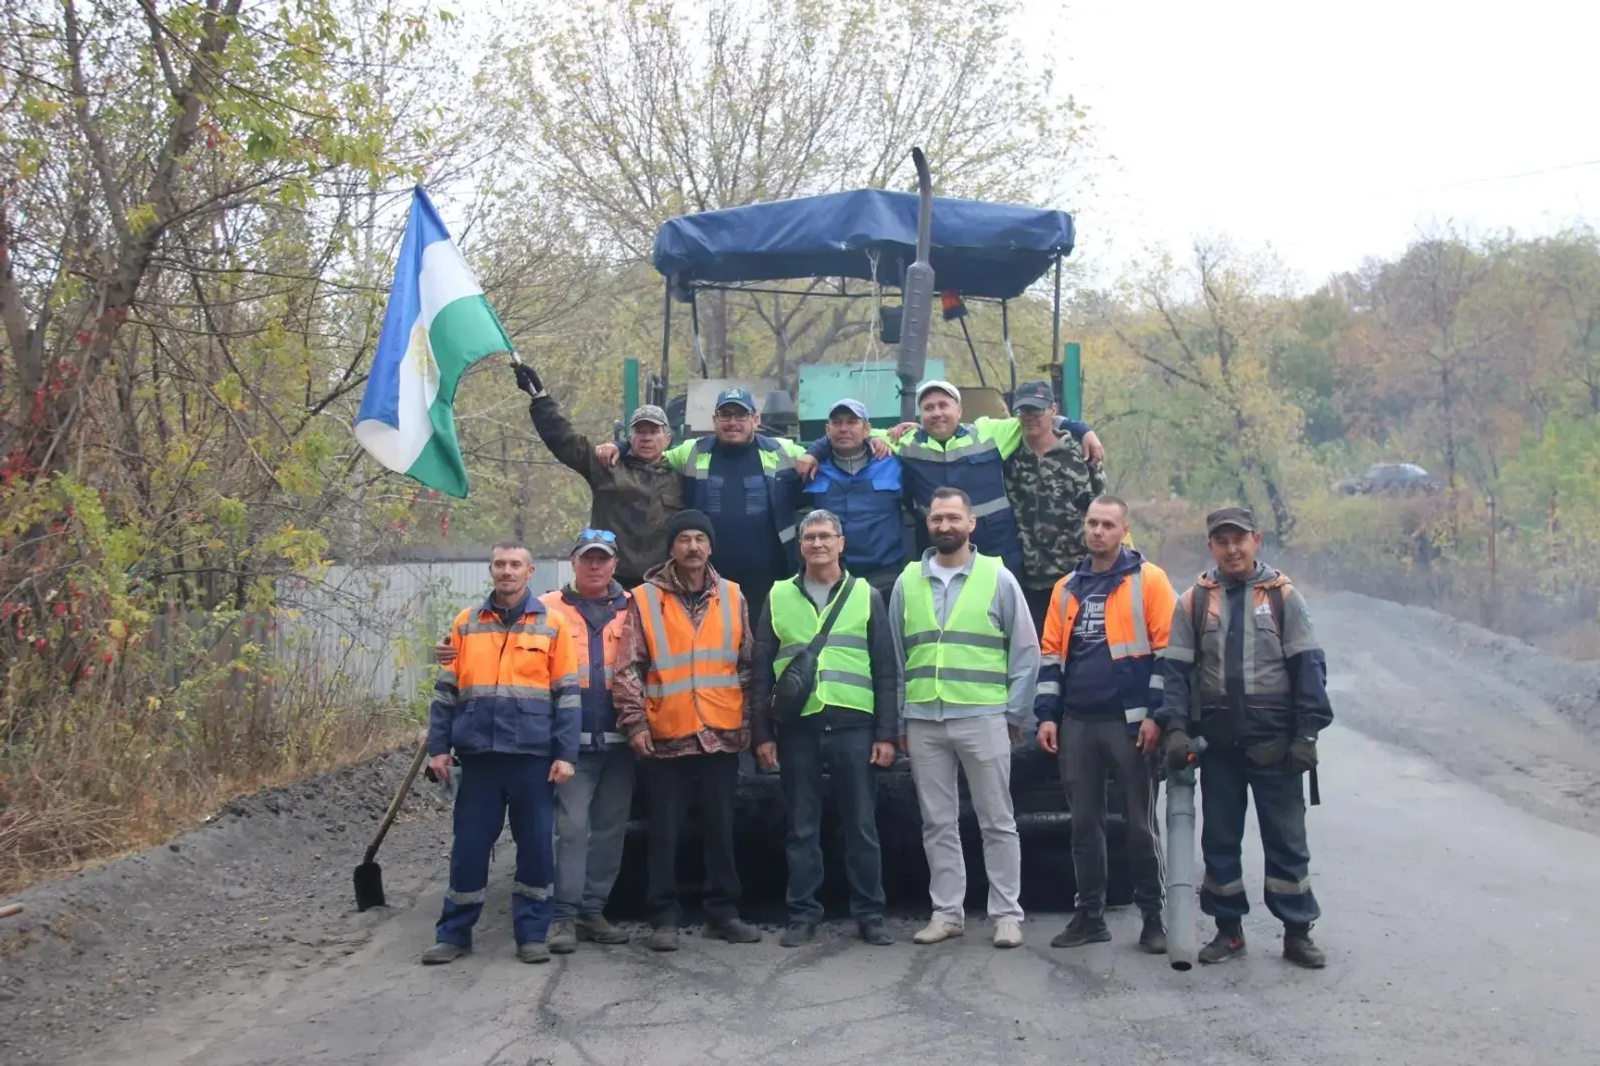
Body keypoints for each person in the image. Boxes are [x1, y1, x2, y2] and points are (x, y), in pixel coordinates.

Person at [1155, 506, 1334, 969]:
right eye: (1222, 541)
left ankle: (1297, 933)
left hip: (1277, 748)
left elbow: (1309, 667)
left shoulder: (1283, 596)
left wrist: (1307, 735)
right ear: (1211, 546)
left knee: (1287, 842)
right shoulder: (1194, 599)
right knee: (1219, 841)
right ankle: (1228, 931)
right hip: (1218, 750)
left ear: (1257, 540)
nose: (1232, 549)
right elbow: (1174, 671)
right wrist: (1176, 729)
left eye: (1240, 539)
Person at [889, 486, 1041, 949]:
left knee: (997, 820)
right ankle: (947, 913)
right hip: (925, 721)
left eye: (954, 517)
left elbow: (1026, 651)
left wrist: (1015, 713)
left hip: (983, 716)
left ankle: (1007, 915)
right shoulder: (906, 582)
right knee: (937, 822)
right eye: (937, 518)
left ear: (971, 523)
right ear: (928, 524)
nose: (945, 525)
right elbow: (897, 658)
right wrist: (901, 721)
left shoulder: (998, 577)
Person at [420, 542, 581, 966]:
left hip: (532, 759)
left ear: (530, 572)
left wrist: (566, 754)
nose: (506, 572)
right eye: (499, 564)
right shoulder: (465, 623)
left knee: (535, 850)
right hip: (480, 759)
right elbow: (445, 692)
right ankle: (454, 935)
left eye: (515, 565)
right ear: (491, 570)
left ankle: (531, 935)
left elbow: (567, 695)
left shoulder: (553, 626)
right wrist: (438, 748)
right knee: (469, 849)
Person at [612, 510, 763, 951]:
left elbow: (747, 665)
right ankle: (663, 917)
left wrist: (749, 724)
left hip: (721, 731)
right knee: (665, 830)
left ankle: (723, 912)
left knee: (721, 827)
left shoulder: (733, 596)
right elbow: (627, 667)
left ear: (710, 547)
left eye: (700, 538)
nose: (693, 547)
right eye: (684, 539)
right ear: (672, 548)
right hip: (667, 731)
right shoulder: (643, 598)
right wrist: (635, 721)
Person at [751, 508, 901, 948]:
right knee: (801, 826)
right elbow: (760, 670)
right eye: (809, 537)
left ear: (841, 542)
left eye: (825, 536)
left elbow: (885, 669)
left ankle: (870, 915)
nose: (817, 544)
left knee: (862, 826)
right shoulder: (777, 596)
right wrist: (762, 734)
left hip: (855, 725)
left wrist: (886, 734)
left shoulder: (866, 594)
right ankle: (802, 914)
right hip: (798, 727)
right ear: (800, 547)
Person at [1034, 496, 1175, 954]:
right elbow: (1051, 653)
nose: (1098, 531)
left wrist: (1156, 715)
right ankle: (1090, 915)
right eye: (1092, 523)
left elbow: (1168, 652)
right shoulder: (1067, 587)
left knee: (1138, 825)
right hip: (1078, 721)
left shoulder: (1148, 581)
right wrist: (1047, 717)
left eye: (1107, 525)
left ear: (1123, 530)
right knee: (1083, 825)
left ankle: (1153, 917)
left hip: (1128, 723)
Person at [831, 380, 1102, 578]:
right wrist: (817, 451)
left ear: (959, 411)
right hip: (943, 556)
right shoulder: (906, 442)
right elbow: (850, 433)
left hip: (998, 556)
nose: (936, 413)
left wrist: (1083, 430)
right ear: (919, 416)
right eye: (928, 408)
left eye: (943, 405)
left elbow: (1036, 417)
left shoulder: (988, 433)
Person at [600, 387, 819, 623]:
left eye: (740, 415)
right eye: (725, 415)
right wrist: (620, 446)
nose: (732, 422)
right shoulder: (693, 451)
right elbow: (652, 452)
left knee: (764, 652)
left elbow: (831, 454)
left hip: (770, 584)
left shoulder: (782, 451)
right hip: (707, 586)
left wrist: (822, 449)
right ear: (715, 419)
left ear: (756, 419)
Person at [515, 360, 680, 588]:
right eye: (640, 432)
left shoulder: (681, 477)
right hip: (612, 585)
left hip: (663, 587)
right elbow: (566, 441)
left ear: (667, 438)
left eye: (654, 431)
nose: (647, 438)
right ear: (630, 438)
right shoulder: (608, 468)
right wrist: (540, 399)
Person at [1003, 380, 1107, 636]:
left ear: (1053, 410)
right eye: (1023, 411)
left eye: (1036, 411)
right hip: (1030, 581)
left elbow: (1103, 513)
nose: (1029, 418)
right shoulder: (1009, 457)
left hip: (1076, 576)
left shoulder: (1080, 455)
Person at [793, 399, 912, 597]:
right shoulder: (813, 469)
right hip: (834, 578)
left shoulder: (893, 463)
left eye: (852, 422)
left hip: (886, 575)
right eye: (837, 422)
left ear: (867, 429)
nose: (843, 429)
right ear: (827, 429)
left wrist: (914, 428)